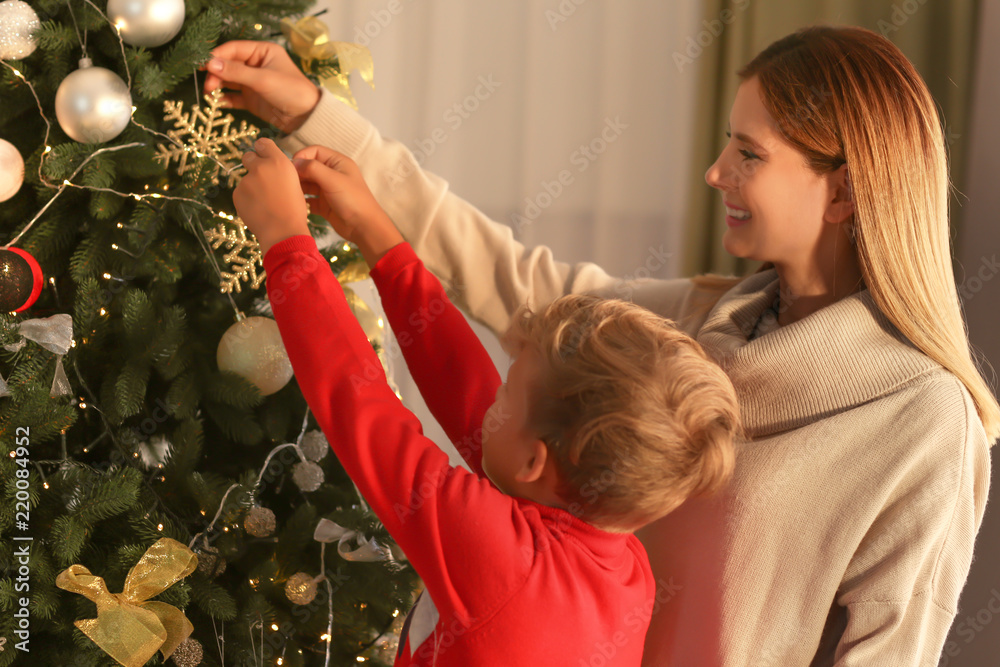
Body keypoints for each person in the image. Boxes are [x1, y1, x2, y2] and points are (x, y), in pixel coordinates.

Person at [207, 24, 998, 665]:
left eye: (750, 153)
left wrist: (286, 244)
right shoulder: (691, 327)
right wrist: (317, 117)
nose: (715, 171)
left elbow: (367, 411)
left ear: (847, 189)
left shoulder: (925, 422)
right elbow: (507, 296)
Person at [232, 137, 741, 665]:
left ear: (534, 460)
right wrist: (375, 234)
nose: (489, 397)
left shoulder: (504, 561)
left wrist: (286, 241)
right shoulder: (621, 560)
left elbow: (362, 410)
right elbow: (464, 386)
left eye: (508, 393)